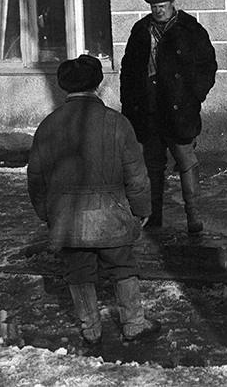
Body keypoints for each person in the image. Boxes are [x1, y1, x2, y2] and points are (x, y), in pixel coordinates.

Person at [27, 54, 161, 345]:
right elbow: (136, 173)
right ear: (97, 85)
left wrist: (47, 214)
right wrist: (142, 208)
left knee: (77, 272)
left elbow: (36, 179)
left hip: (66, 219)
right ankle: (134, 323)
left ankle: (91, 329)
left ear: (65, 87)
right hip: (112, 215)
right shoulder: (118, 123)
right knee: (123, 266)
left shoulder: (47, 127)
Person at [120, 0, 218, 235]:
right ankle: (154, 220)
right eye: (154, 7)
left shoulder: (190, 29)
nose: (158, 11)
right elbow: (128, 72)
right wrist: (130, 107)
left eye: (162, 6)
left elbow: (208, 66)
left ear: (172, 3)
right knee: (152, 168)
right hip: (149, 113)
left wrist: (195, 95)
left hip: (179, 112)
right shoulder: (141, 30)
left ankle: (193, 216)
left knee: (186, 162)